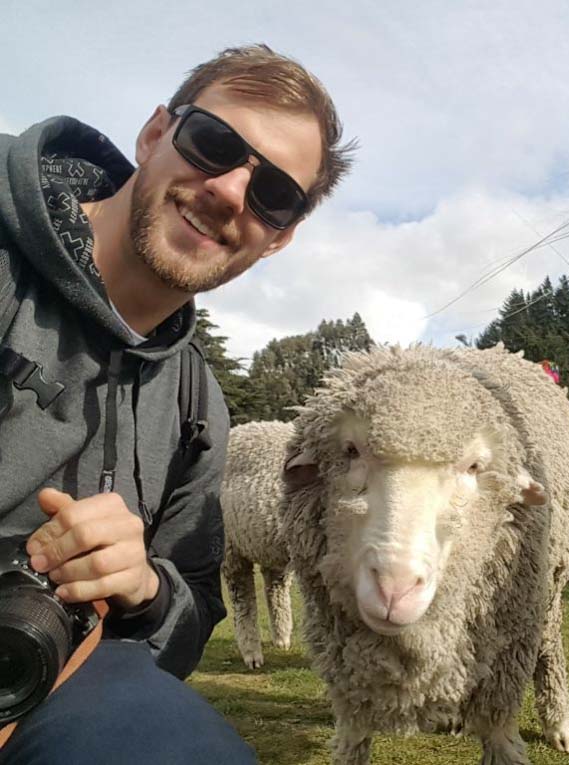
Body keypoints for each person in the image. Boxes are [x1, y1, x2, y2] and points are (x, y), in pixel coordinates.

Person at [0, 44, 352, 763]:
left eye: (273, 194)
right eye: (213, 143)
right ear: (155, 132)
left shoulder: (198, 407)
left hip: (58, 675)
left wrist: (142, 589)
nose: (228, 191)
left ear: (279, 237)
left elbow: (191, 603)